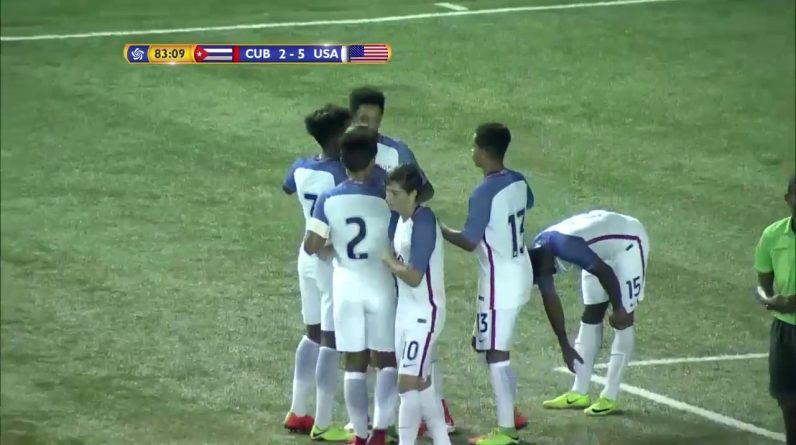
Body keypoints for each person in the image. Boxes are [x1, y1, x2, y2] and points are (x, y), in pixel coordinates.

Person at [349, 86, 454, 435]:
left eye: (376, 119)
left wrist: (406, 213)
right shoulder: (348, 151)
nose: (370, 125)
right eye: (364, 119)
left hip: (398, 255)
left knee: (415, 349)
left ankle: (430, 411)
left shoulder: (396, 152)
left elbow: (425, 189)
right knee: (376, 337)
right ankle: (378, 415)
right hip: (374, 257)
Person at [304, 125, 398, 445]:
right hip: (381, 284)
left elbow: (312, 245)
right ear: (373, 160)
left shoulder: (328, 199)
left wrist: (337, 250)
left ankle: (359, 434)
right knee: (386, 360)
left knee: (354, 363)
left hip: (346, 286)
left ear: (342, 161)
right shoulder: (386, 198)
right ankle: (381, 430)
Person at [440, 123, 532, 445]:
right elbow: (525, 206)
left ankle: (506, 430)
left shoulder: (483, 192)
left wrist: (439, 229)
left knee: (495, 352)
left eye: (474, 146)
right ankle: (511, 410)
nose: (472, 151)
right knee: (482, 344)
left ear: (483, 150)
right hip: (520, 270)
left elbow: (469, 240)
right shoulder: (518, 180)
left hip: (499, 281)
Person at [529, 210, 646, 416]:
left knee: (623, 320)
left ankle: (609, 396)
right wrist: (565, 345)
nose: (549, 277)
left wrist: (619, 308)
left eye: (547, 274)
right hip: (597, 250)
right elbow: (550, 297)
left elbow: (605, 272)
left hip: (628, 243)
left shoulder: (566, 246)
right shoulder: (539, 255)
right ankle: (579, 392)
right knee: (592, 312)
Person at [281, 104, 353, 442]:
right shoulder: (341, 174)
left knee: (312, 334)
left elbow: (288, 187)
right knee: (331, 340)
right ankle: (323, 422)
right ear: (338, 136)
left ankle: (298, 410)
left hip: (305, 255)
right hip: (329, 259)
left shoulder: (301, 166)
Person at [382, 164, 451, 445]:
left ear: (412, 194)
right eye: (388, 191)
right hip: (406, 313)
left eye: (395, 193)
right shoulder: (400, 219)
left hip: (426, 313)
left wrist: (388, 261)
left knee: (407, 384)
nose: (389, 198)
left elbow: (414, 276)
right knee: (421, 385)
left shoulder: (423, 223)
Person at [754, 174, 796, 444]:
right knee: (788, 400)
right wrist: (768, 299)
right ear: (788, 199)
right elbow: (763, 283)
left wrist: (788, 303)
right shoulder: (772, 235)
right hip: (784, 330)